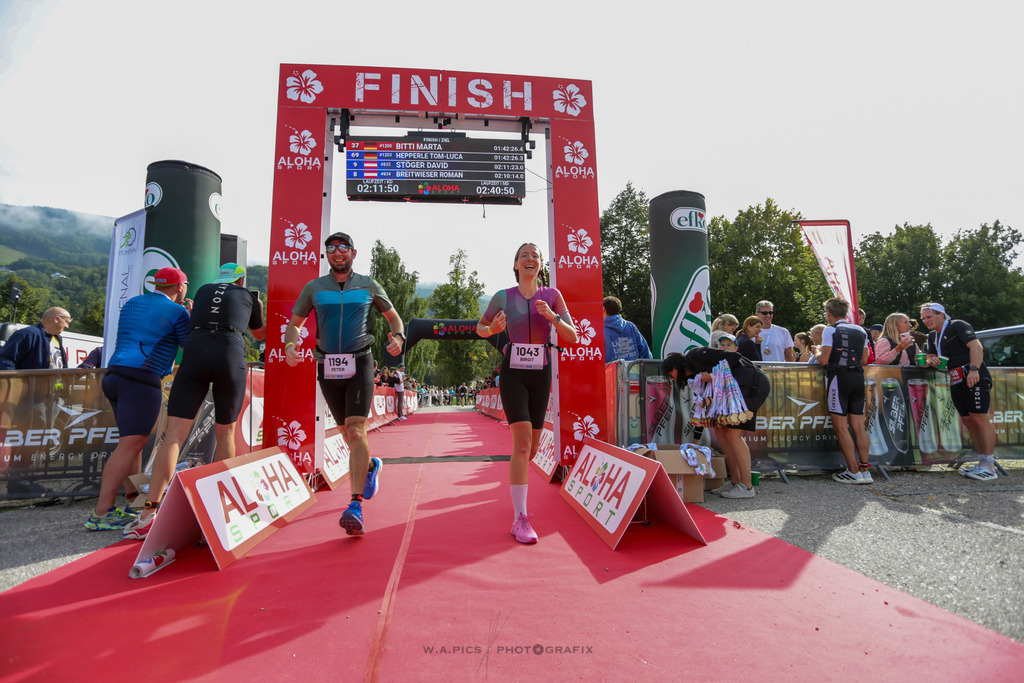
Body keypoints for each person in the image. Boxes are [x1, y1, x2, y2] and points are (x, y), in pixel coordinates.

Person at [122, 263, 266, 540]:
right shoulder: (248, 295)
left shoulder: (202, 291)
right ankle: (219, 511)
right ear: (240, 280)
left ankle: (148, 514)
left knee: (174, 436)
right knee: (225, 433)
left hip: (196, 351)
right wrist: (256, 308)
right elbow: (260, 335)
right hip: (229, 352)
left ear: (219, 278)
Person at [285, 232, 405, 535]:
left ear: (353, 252)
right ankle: (369, 466)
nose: (337, 253)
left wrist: (399, 337)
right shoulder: (314, 287)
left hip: (360, 361)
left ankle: (355, 504)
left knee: (355, 428)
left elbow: (393, 317)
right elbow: (295, 323)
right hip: (327, 364)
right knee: (345, 433)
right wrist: (289, 344)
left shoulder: (368, 285)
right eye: (331, 248)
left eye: (343, 248)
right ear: (326, 254)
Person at [478, 242, 577, 544]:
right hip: (513, 373)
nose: (530, 259)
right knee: (521, 443)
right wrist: (492, 329)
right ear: (516, 265)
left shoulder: (552, 296)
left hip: (541, 373)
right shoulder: (503, 296)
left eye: (535, 255)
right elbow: (480, 327)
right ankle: (520, 518)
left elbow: (572, 336)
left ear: (541, 265)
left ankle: (518, 504)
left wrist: (554, 318)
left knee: (531, 449)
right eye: (524, 256)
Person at [86, 267, 191, 530]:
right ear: (180, 287)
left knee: (132, 443)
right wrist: (190, 315)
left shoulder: (133, 302)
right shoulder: (177, 311)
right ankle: (101, 513)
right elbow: (188, 346)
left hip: (114, 375)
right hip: (141, 379)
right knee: (130, 445)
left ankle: (133, 501)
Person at [663, 347, 771, 499]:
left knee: (733, 434)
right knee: (721, 432)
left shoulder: (695, 355)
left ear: (675, 366)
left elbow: (734, 356)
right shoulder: (693, 377)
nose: (673, 379)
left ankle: (747, 486)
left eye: (671, 374)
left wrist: (712, 375)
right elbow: (702, 410)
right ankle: (735, 482)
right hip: (735, 391)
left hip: (751, 384)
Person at [920, 303, 997, 481]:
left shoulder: (957, 325)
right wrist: (930, 361)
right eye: (923, 318)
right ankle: (982, 462)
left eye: (929, 317)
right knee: (968, 421)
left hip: (973, 375)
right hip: (955, 378)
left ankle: (989, 466)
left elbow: (976, 347)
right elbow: (931, 356)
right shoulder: (932, 336)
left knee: (979, 419)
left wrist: (974, 370)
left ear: (941, 315)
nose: (926, 321)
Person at [0, 307, 72, 496]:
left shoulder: (57, 339)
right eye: (67, 321)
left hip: (51, 398)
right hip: (32, 399)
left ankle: (30, 479)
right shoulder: (28, 334)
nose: (67, 326)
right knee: (30, 438)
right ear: (56, 319)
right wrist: (20, 385)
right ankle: (19, 482)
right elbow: (6, 360)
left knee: (41, 439)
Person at [816, 297, 872, 484]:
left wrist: (816, 351)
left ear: (828, 313)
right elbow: (864, 360)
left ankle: (853, 471)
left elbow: (823, 359)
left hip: (839, 378)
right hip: (858, 377)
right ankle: (865, 470)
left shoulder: (830, 329)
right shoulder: (861, 330)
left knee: (841, 427)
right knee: (859, 427)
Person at [602, 295, 652, 362]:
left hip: (610, 368)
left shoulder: (601, 330)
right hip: (631, 368)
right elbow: (644, 349)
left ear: (603, 309)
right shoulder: (631, 326)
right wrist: (649, 366)